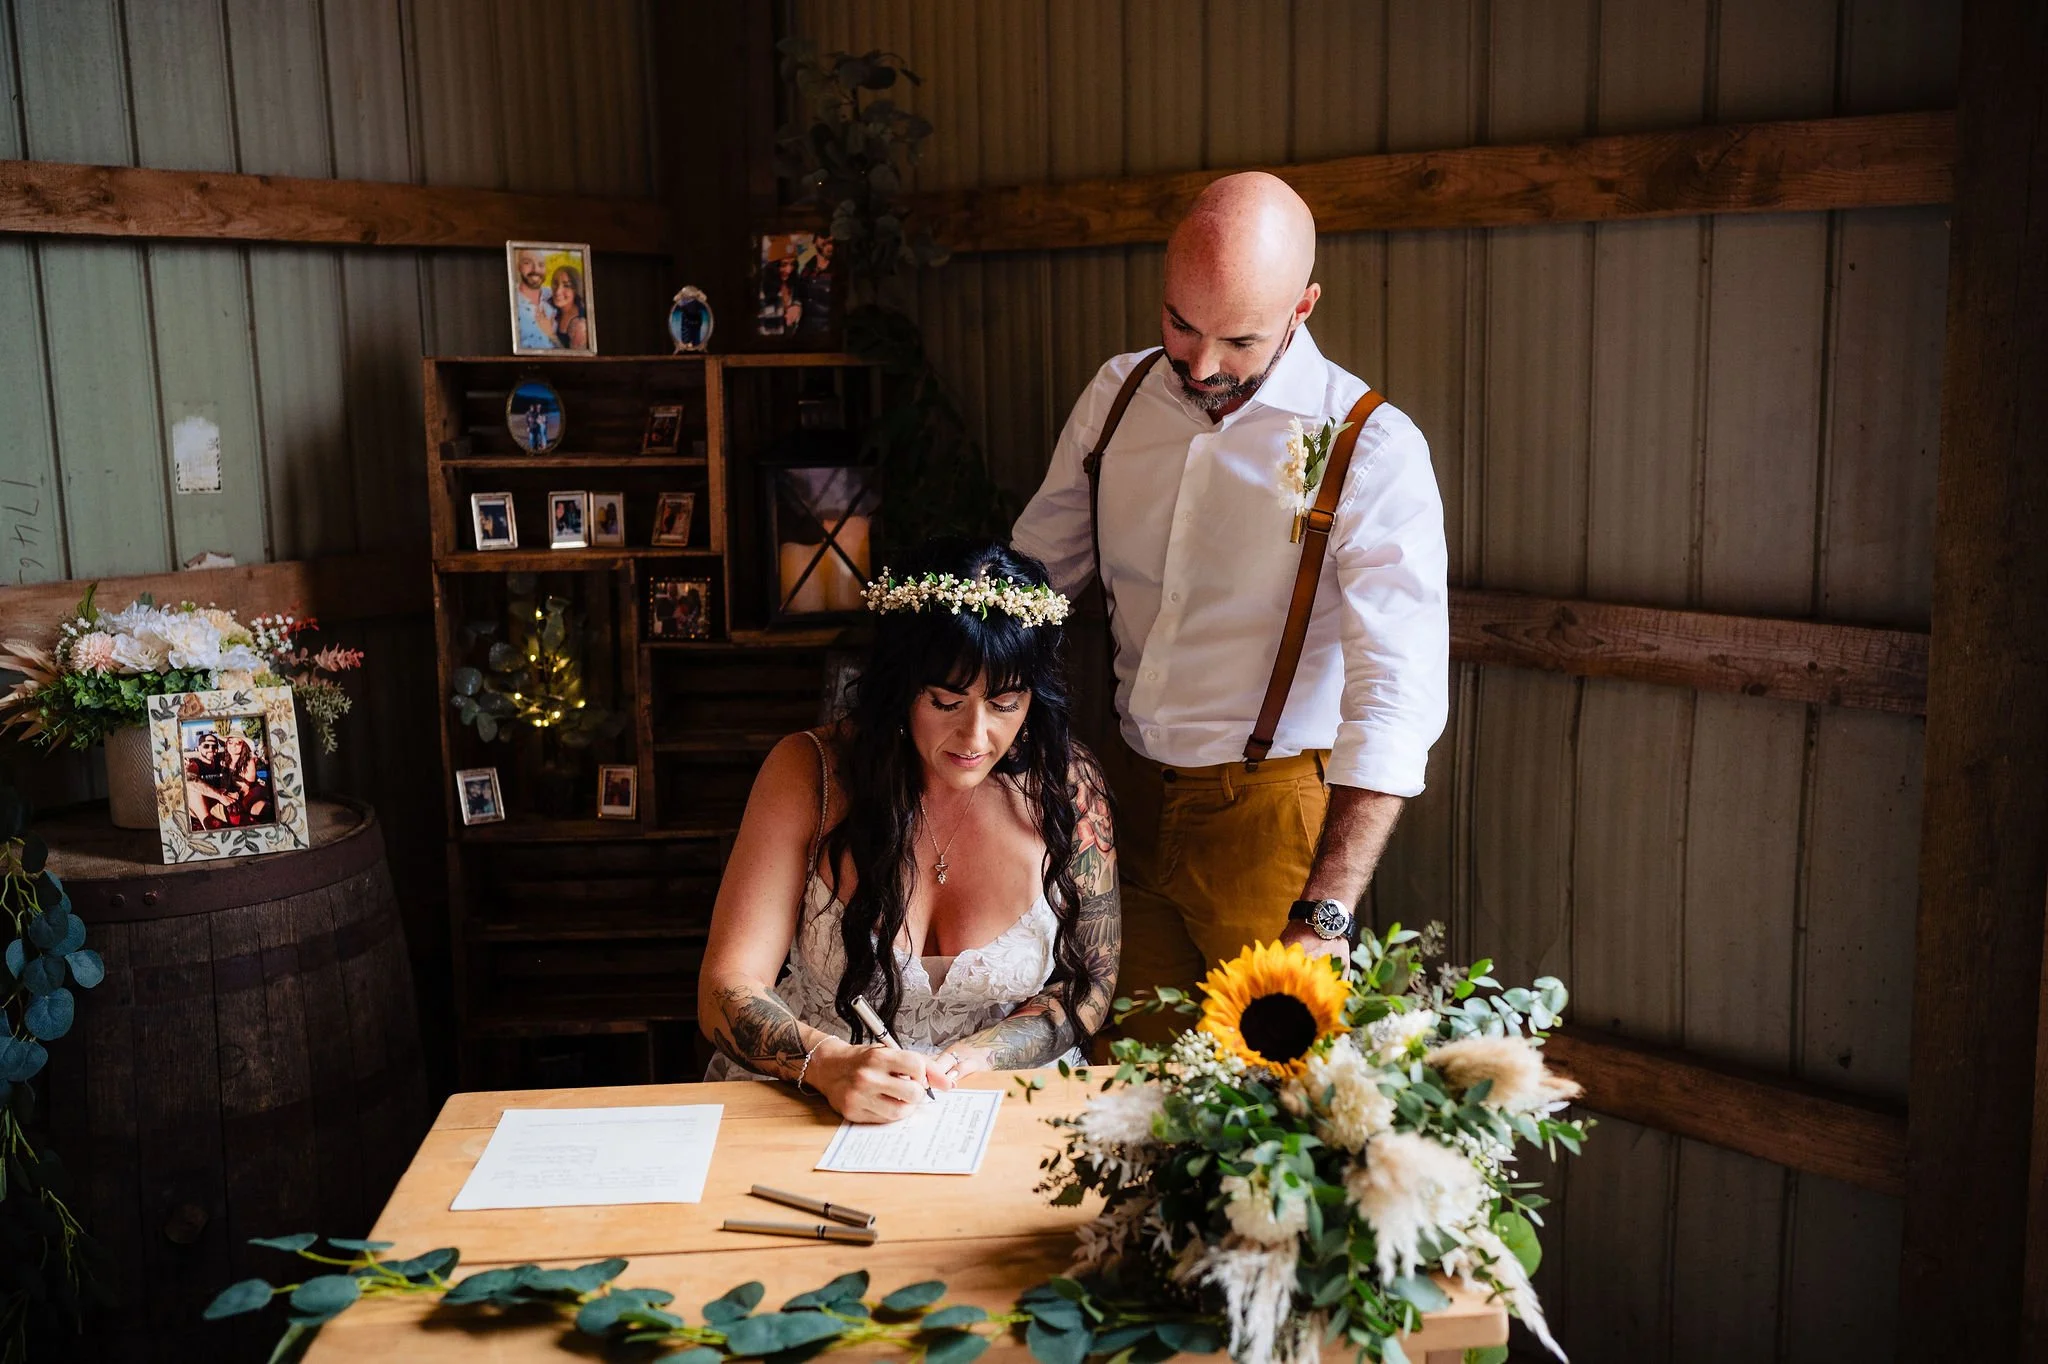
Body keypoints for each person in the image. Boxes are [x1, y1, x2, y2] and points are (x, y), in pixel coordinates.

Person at [1011, 171, 1449, 1039]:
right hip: (1121, 800)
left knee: (1263, 1110)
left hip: (1270, 824)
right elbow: (1034, 579)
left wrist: (1324, 914)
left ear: (1304, 306)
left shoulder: (1371, 448)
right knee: (1123, 1094)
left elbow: (1396, 696)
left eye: (1240, 341)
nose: (1202, 366)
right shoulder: (1117, 398)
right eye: (1179, 324)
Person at [698, 538, 1119, 1123]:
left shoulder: (1066, 785)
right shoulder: (808, 772)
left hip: (1007, 1104)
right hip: (811, 1100)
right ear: (900, 690)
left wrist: (979, 1055)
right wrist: (827, 1064)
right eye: (947, 702)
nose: (976, 738)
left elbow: (1089, 981)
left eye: (1004, 704)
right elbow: (725, 987)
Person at [512, 249, 558, 350]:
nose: (536, 269)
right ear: (518, 267)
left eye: (541, 264)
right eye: (527, 263)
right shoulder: (511, 298)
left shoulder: (555, 296)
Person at [550, 265, 590, 351]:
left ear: (576, 289)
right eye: (555, 283)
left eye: (566, 285)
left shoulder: (580, 325)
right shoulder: (551, 307)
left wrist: (550, 334)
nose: (558, 291)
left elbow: (574, 359)